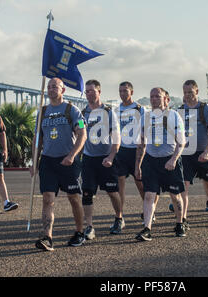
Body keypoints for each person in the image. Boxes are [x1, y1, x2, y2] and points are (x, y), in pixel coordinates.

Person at [30, 78, 87, 251]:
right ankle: (47, 237)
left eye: (55, 86)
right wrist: (35, 162)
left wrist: (71, 156)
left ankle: (79, 232)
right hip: (48, 161)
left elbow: (82, 134)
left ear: (63, 90)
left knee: (74, 198)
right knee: (48, 199)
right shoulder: (43, 111)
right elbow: (37, 139)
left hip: (68, 160)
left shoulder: (72, 110)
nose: (51, 89)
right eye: (49, 87)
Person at [135, 87, 186, 241]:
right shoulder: (146, 117)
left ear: (166, 99)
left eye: (158, 96)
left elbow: (181, 142)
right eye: (152, 96)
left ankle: (180, 223)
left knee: (175, 196)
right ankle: (147, 229)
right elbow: (142, 143)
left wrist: (173, 160)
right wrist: (138, 164)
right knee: (149, 195)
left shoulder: (174, 116)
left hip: (169, 159)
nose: (154, 99)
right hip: (151, 161)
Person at [81, 79, 123, 239]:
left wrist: (111, 156)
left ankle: (119, 218)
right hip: (88, 159)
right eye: (87, 91)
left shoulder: (108, 112)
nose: (88, 94)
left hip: (107, 158)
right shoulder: (83, 113)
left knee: (112, 192)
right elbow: (79, 132)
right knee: (87, 193)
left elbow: (116, 137)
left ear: (99, 92)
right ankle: (89, 226)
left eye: (92, 91)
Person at [115, 81, 159, 224]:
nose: (122, 94)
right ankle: (119, 216)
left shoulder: (140, 110)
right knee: (119, 182)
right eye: (120, 91)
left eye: (125, 91)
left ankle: (149, 210)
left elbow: (147, 131)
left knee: (140, 184)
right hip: (121, 150)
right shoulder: (116, 110)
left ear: (131, 92)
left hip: (137, 151)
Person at [178, 80, 208, 228]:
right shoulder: (180, 110)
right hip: (187, 155)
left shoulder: (205, 109)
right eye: (185, 92)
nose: (188, 95)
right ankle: (182, 219)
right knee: (183, 186)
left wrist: (207, 151)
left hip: (204, 154)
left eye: (190, 92)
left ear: (197, 91)